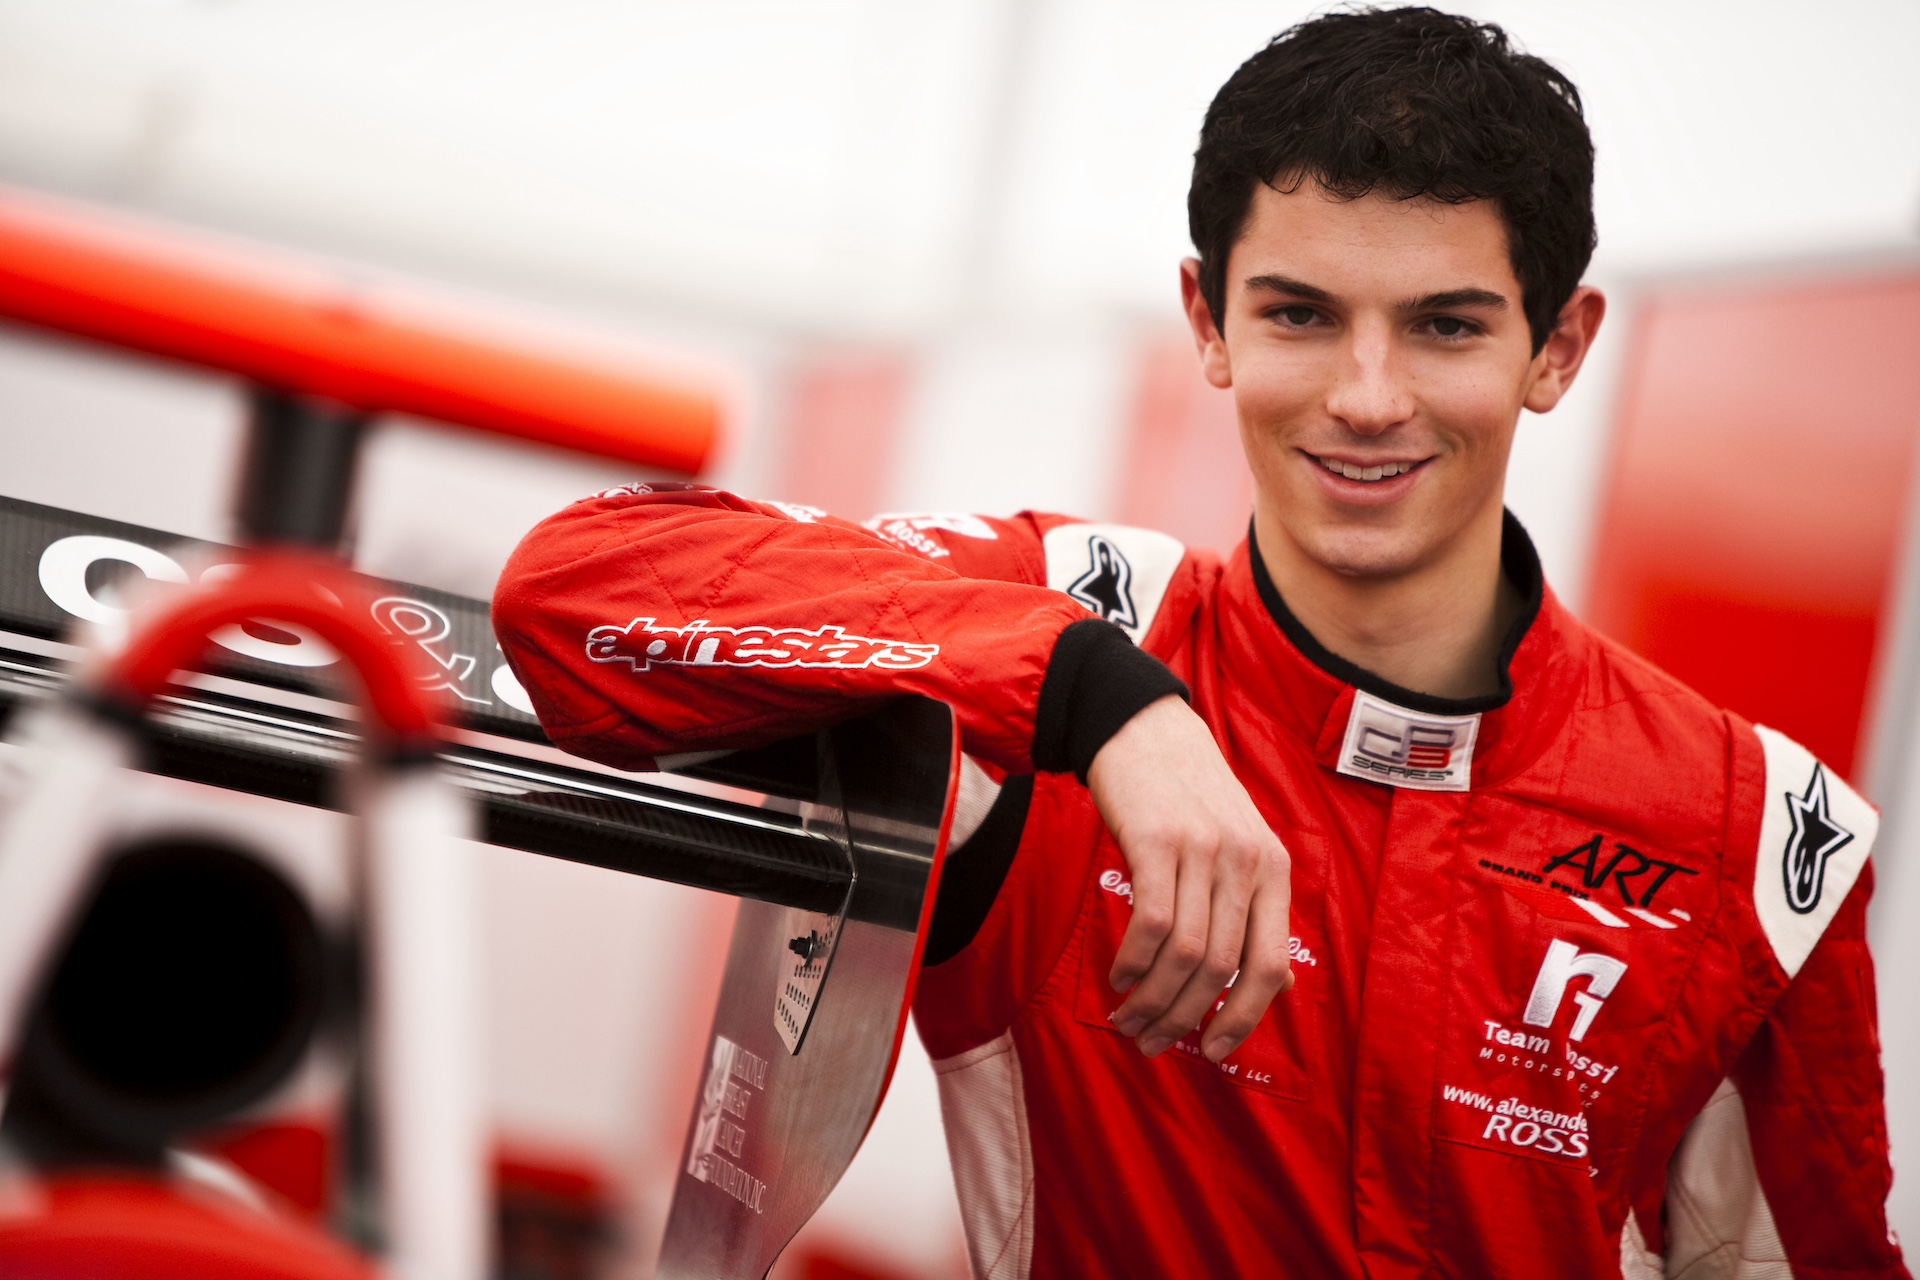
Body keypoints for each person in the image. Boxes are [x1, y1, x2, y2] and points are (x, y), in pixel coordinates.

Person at [493, 8, 1907, 1276]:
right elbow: (579, 585)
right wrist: (1100, 701)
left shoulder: (1755, 837)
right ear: (1207, 320)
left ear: (1559, 347)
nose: (1367, 396)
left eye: (1444, 328)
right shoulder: (1067, 612)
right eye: (1300, 313)